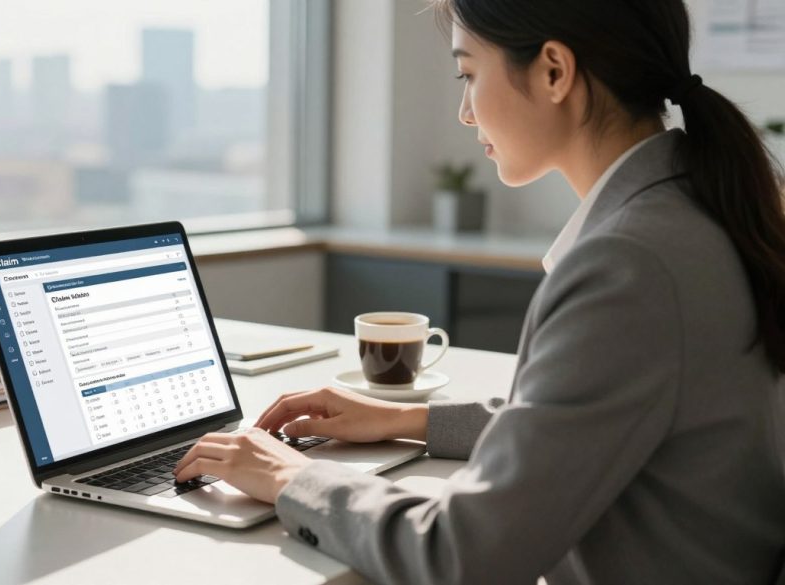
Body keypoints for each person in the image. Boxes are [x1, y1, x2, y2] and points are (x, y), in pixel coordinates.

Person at [174, 0, 785, 582]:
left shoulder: (629, 264)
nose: (465, 111)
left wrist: (292, 479)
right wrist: (406, 418)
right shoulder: (698, 208)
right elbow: (584, 422)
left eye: (468, 73)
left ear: (553, 71)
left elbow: (462, 558)